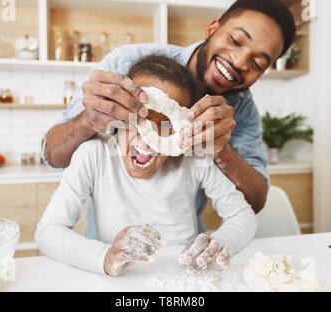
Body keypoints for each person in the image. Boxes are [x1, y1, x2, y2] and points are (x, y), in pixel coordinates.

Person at [42, 0, 295, 238]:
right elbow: (53, 156)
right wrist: (88, 120)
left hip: (181, 245)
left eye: (258, 63)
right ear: (212, 29)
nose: (240, 61)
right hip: (108, 246)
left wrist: (221, 149)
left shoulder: (241, 112)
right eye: (236, 40)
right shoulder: (127, 66)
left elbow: (254, 203)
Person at [35, 56, 257, 276]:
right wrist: (105, 258)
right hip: (119, 282)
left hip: (185, 278)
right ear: (117, 112)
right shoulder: (94, 155)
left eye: (168, 125)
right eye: (138, 117)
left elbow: (243, 216)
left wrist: (220, 242)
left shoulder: (194, 158)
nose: (148, 140)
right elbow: (48, 231)